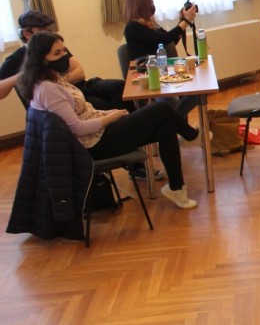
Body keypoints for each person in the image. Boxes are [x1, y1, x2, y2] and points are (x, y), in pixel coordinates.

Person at [17, 32, 199, 209]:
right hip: (93, 145)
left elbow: (84, 111)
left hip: (97, 135)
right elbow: (77, 128)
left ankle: (176, 188)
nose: (64, 56)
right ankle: (192, 136)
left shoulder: (55, 78)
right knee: (162, 109)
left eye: (64, 50)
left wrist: (105, 113)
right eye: (57, 53)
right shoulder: (47, 89)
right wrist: (110, 118)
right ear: (41, 59)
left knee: (166, 127)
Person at [0, 10, 129, 111]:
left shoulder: (54, 45)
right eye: (41, 30)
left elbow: (79, 72)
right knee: (107, 107)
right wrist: (24, 75)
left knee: (121, 88)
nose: (47, 33)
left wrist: (58, 82)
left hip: (81, 86)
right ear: (27, 34)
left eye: (47, 29)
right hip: (65, 98)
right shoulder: (16, 59)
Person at [123, 0, 200, 117]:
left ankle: (174, 123)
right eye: (151, 2)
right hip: (147, 76)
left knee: (196, 94)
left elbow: (171, 40)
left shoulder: (151, 24)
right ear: (142, 5)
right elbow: (162, 40)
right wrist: (186, 22)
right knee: (174, 103)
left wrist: (182, 19)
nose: (153, 5)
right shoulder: (132, 27)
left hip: (161, 72)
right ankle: (173, 123)